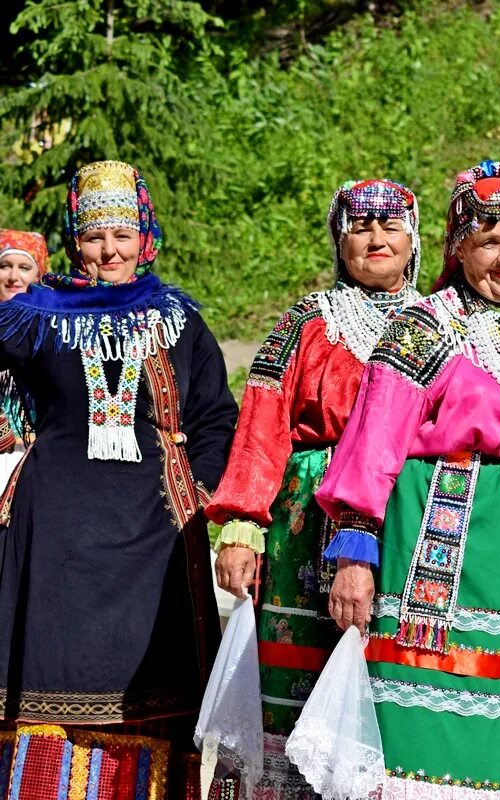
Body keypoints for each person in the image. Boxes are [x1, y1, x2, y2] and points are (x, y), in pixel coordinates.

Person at [304, 160, 500, 796]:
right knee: (418, 746)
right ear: (459, 249)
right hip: (439, 555)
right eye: (490, 241)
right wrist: (354, 551)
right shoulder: (425, 326)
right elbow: (373, 440)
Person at [0, 160, 238, 797]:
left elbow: (216, 416)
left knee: (157, 689)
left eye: (122, 236)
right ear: (75, 241)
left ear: (145, 239)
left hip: (158, 536)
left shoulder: (177, 321)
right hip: (56, 535)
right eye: (94, 237)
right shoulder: (33, 317)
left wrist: (202, 490)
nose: (109, 251)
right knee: (52, 686)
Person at [204, 178, 424, 799]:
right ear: (339, 239)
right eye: (361, 227)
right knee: (296, 681)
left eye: (391, 227)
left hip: (405, 514)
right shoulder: (308, 321)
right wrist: (243, 523)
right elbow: (264, 417)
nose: (377, 239)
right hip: (306, 519)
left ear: (416, 238)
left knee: (388, 685)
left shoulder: (440, 320)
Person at [0, 229, 47, 484]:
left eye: (24, 267)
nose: (13, 277)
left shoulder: (52, 332)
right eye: (5, 266)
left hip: (40, 461)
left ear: (38, 274)